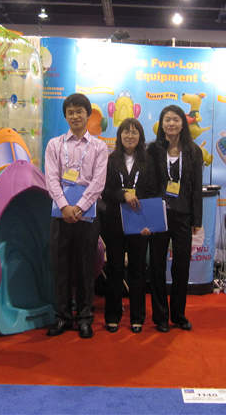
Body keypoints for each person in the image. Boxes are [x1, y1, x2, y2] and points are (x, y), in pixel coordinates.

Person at [44, 93, 108, 339]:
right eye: (70, 112)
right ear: (66, 116)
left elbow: (98, 182)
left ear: (88, 114)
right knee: (60, 267)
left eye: (79, 111)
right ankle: (62, 316)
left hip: (88, 214)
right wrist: (64, 207)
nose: (75, 116)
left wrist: (79, 207)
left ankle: (84, 317)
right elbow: (51, 178)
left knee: (85, 267)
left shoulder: (99, 147)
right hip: (60, 214)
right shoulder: (54, 144)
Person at [147, 105, 203, 332]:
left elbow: (196, 187)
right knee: (157, 266)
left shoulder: (194, 151)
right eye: (167, 119)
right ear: (161, 124)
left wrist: (197, 220)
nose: (171, 123)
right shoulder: (152, 150)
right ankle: (160, 317)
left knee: (181, 267)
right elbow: (147, 184)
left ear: (183, 124)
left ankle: (179, 315)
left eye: (176, 119)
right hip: (158, 214)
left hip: (183, 216)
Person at [101, 118, 155, 334]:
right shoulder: (110, 160)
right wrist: (123, 194)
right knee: (114, 268)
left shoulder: (148, 161)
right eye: (126, 132)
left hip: (139, 220)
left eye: (134, 132)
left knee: (137, 269)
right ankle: (112, 315)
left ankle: (137, 317)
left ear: (140, 136)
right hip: (114, 220)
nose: (130, 136)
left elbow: (153, 190)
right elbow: (105, 189)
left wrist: (140, 203)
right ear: (119, 135)